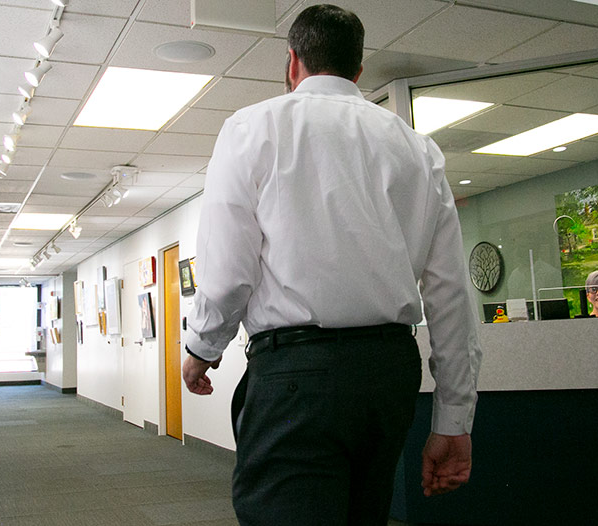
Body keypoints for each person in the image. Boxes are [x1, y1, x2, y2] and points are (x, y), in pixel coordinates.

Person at [182, 4, 482, 524]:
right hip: (389, 375)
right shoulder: (419, 150)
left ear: (292, 62)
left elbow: (229, 272)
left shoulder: (251, 128)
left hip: (297, 376)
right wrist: (453, 421)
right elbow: (450, 294)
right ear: (358, 71)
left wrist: (201, 348)